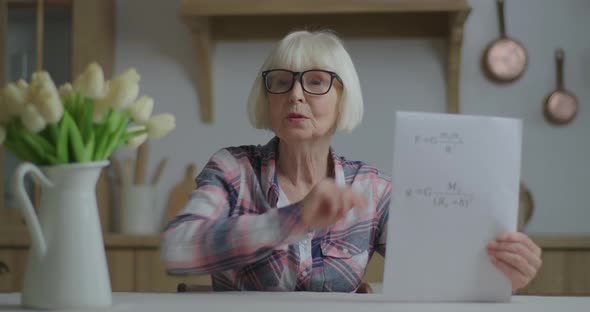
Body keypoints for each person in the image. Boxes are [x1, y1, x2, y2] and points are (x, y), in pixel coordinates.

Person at [161, 30, 542, 292]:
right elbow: (177, 250)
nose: (295, 94)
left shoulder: (373, 191)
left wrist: (501, 275)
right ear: (267, 97)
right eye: (281, 81)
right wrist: (294, 219)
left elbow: (437, 278)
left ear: (343, 98)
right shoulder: (232, 169)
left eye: (315, 81)